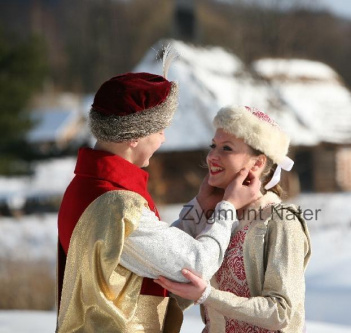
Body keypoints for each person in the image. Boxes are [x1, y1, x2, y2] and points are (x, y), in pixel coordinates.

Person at [56, 50, 262, 332]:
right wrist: (227, 207)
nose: (164, 138)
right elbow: (195, 264)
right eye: (160, 129)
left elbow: (149, 253)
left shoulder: (85, 186)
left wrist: (199, 207)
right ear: (135, 136)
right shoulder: (116, 204)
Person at [156, 105, 312, 332]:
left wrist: (208, 295)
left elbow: (281, 312)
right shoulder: (215, 215)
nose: (212, 156)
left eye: (226, 148)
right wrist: (198, 206)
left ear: (257, 163)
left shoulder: (280, 221)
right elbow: (168, 268)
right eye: (213, 146)